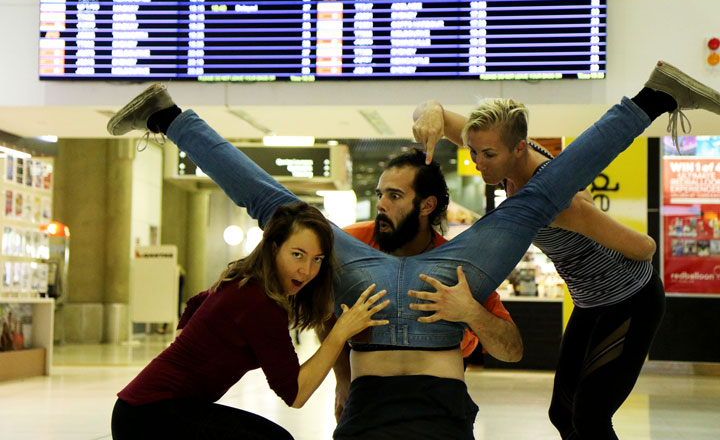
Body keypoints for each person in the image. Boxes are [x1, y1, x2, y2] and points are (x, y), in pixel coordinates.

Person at [107, 60, 720, 439]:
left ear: (427, 205)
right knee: (536, 199)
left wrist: (463, 313)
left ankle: (169, 118)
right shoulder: (397, 243)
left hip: (398, 297)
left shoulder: (371, 254)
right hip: (430, 296)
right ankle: (652, 99)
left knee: (276, 207)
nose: (481, 162)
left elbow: (509, 344)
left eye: (395, 194)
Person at [412, 91, 668, 439]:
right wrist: (428, 109)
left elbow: (645, 247)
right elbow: (443, 118)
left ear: (519, 148)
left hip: (631, 298)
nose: (477, 162)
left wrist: (580, 221)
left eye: (487, 154)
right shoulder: (506, 158)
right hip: (590, 301)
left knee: (591, 416)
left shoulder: (558, 200)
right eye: (473, 152)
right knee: (562, 413)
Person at [110, 202, 390, 440]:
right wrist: (339, 332)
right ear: (273, 248)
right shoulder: (257, 301)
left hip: (152, 409)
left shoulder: (247, 283)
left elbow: (195, 303)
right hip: (149, 416)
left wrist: (193, 350)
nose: (307, 270)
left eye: (317, 259)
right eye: (297, 255)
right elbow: (296, 393)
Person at [328, 149, 523, 419]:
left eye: (394, 195)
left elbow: (512, 351)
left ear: (426, 205)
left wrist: (470, 312)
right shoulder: (353, 244)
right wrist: (342, 378)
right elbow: (324, 313)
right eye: (379, 194)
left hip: (441, 397)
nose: (381, 204)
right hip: (368, 395)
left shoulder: (458, 266)